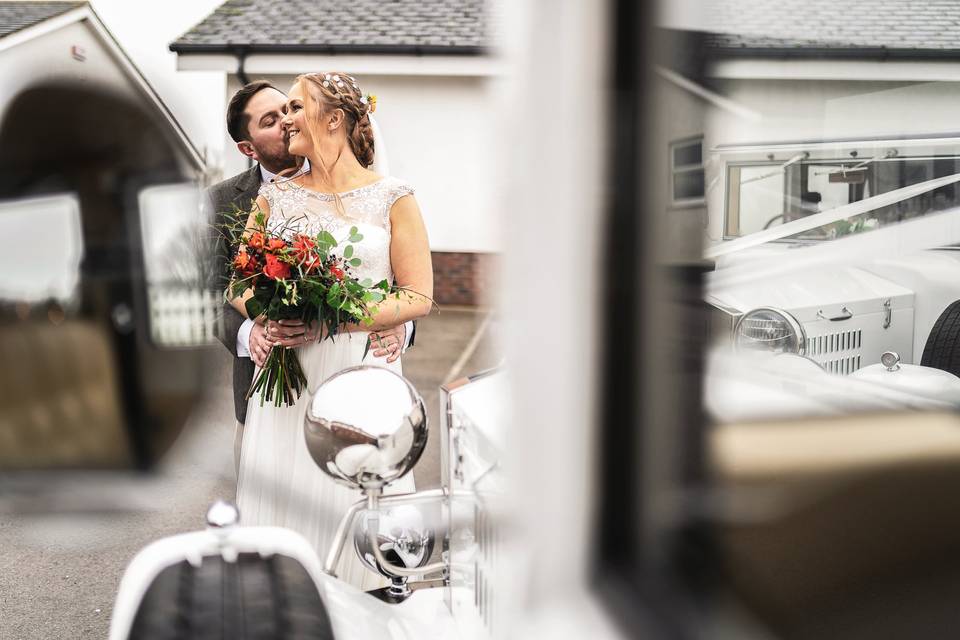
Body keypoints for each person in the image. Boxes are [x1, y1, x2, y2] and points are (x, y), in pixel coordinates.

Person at [229, 71, 433, 588]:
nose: (287, 119)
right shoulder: (275, 199)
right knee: (284, 508)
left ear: (335, 119)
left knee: (359, 507)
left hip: (361, 375)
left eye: (297, 107)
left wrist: (332, 319)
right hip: (287, 382)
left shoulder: (394, 197)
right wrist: (266, 314)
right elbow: (239, 282)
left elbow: (417, 296)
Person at [205, 81, 411, 473]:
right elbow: (215, 286)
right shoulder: (223, 201)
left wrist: (398, 320)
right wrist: (253, 330)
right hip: (266, 391)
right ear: (247, 148)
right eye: (270, 120)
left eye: (288, 109)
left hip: (355, 370)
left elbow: (399, 275)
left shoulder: (370, 188)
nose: (286, 121)